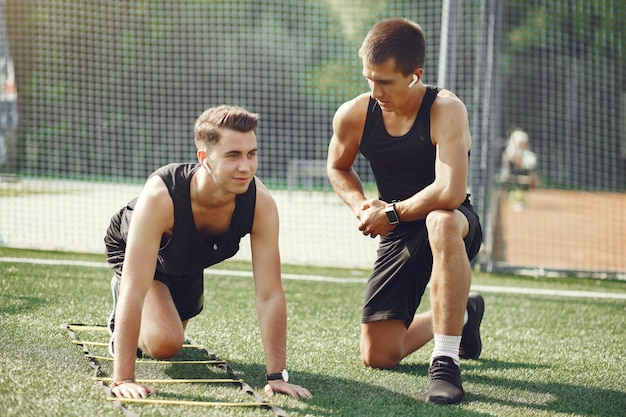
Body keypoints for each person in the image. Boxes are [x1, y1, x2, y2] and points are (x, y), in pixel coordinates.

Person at [104, 105, 312, 400]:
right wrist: (122, 378)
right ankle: (119, 312)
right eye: (233, 156)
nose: (245, 167)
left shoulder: (260, 204)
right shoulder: (161, 196)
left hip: (188, 257)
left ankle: (156, 310)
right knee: (166, 344)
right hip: (135, 246)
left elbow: (269, 294)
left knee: (170, 333)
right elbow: (136, 290)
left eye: (251, 154)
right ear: (205, 159)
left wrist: (276, 376)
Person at [326, 18, 484, 405]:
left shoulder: (445, 109)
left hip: (455, 222)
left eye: (385, 81)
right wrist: (362, 205)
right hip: (399, 229)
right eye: (369, 78)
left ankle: (445, 362)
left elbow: (449, 191)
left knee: (440, 220)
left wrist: (392, 212)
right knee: (378, 355)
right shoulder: (354, 114)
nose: (374, 90)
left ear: (415, 76)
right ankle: (462, 313)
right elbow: (338, 166)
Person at [499, 128, 537, 211]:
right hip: (512, 176)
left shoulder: (529, 155)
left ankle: (520, 199)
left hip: (521, 177)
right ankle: (511, 197)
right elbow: (505, 175)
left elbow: (532, 173)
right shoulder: (509, 154)